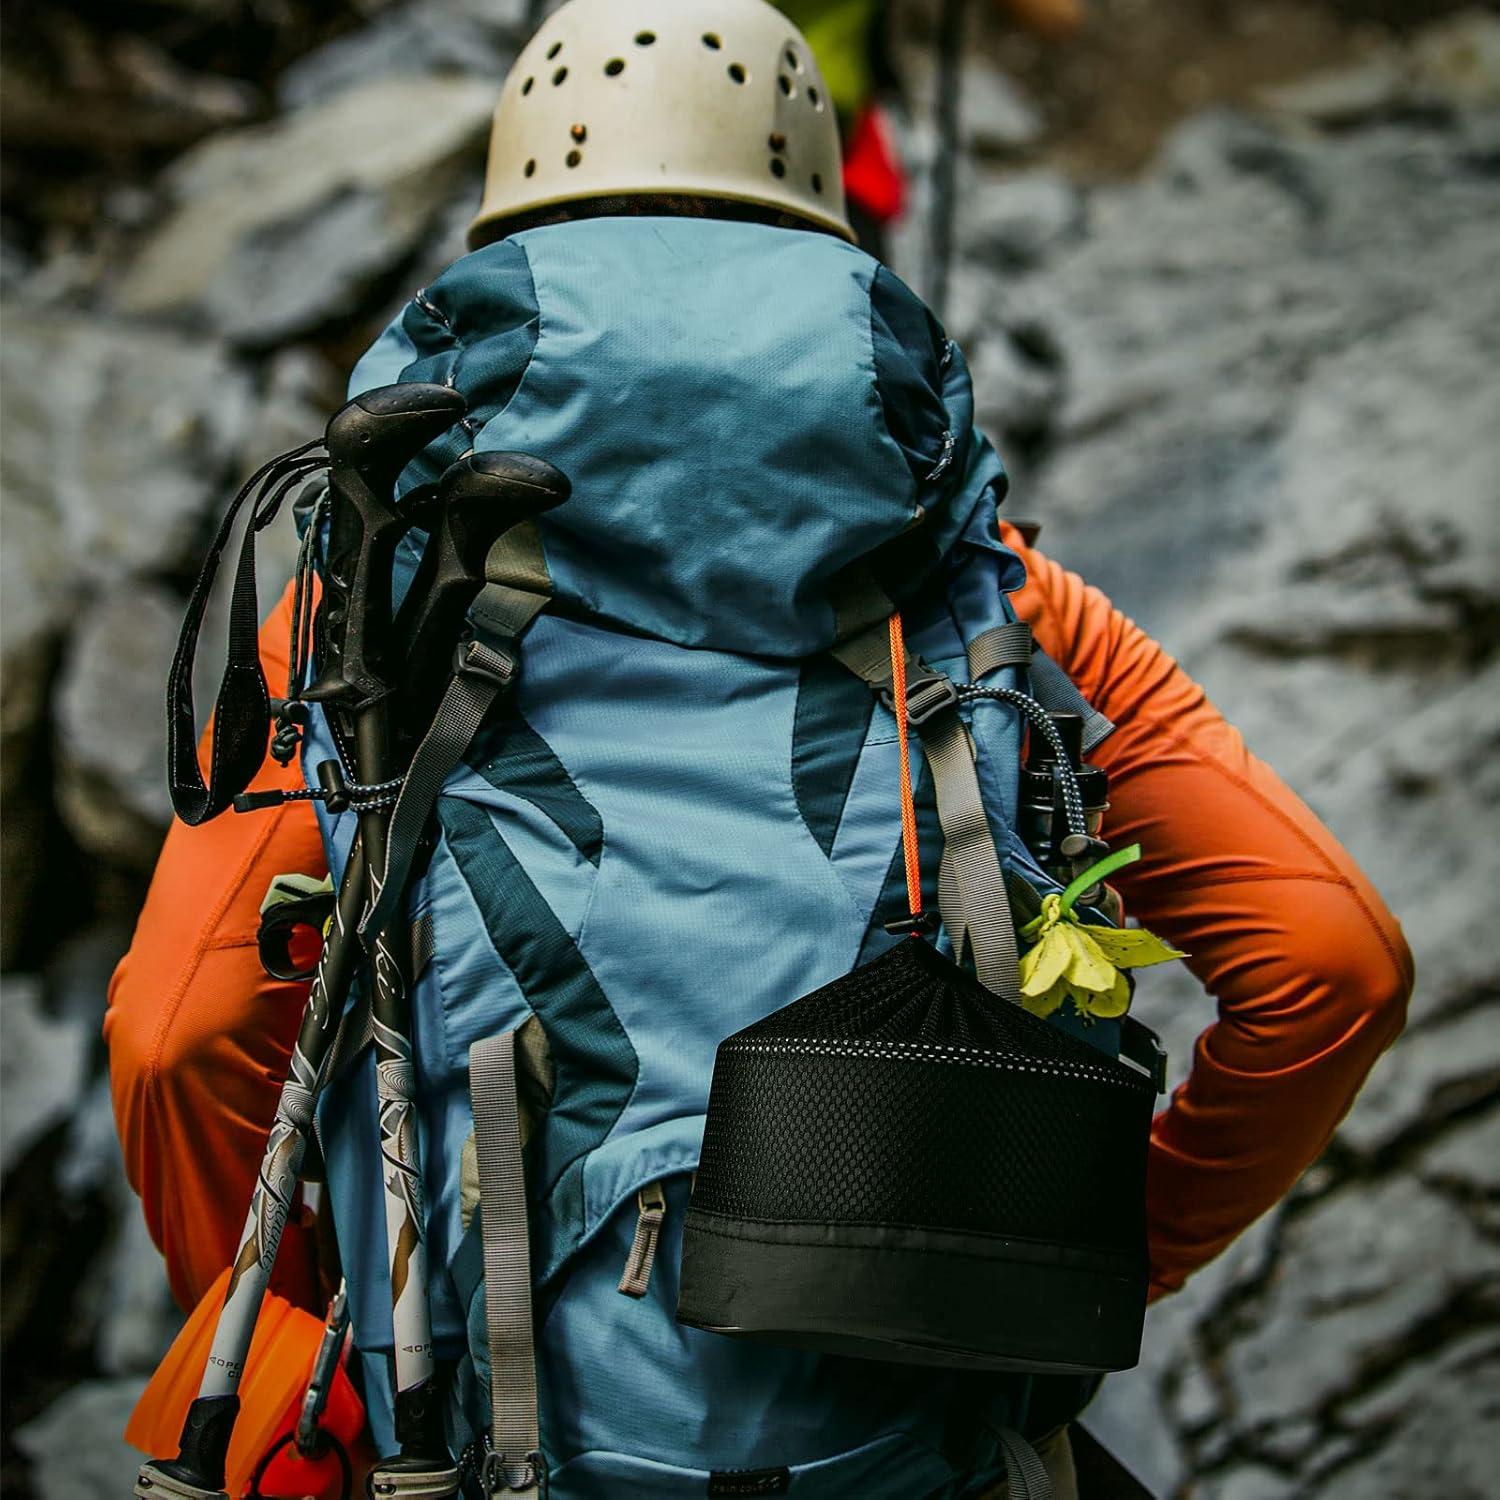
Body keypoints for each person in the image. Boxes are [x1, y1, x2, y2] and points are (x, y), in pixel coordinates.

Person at [107, 1, 1412, 1494]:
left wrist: (293, 1332)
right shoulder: (998, 606)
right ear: (817, 219)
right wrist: (1094, 1261)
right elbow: (1334, 968)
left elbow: (177, 1035)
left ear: (514, 222)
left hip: (473, 1436)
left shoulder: (373, 612)